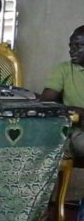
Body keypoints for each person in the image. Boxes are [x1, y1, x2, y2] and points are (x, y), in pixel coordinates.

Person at [40, 25, 84, 158]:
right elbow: (45, 103)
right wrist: (74, 111)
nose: (71, 50)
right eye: (71, 46)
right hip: (77, 129)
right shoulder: (64, 69)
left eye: (78, 46)